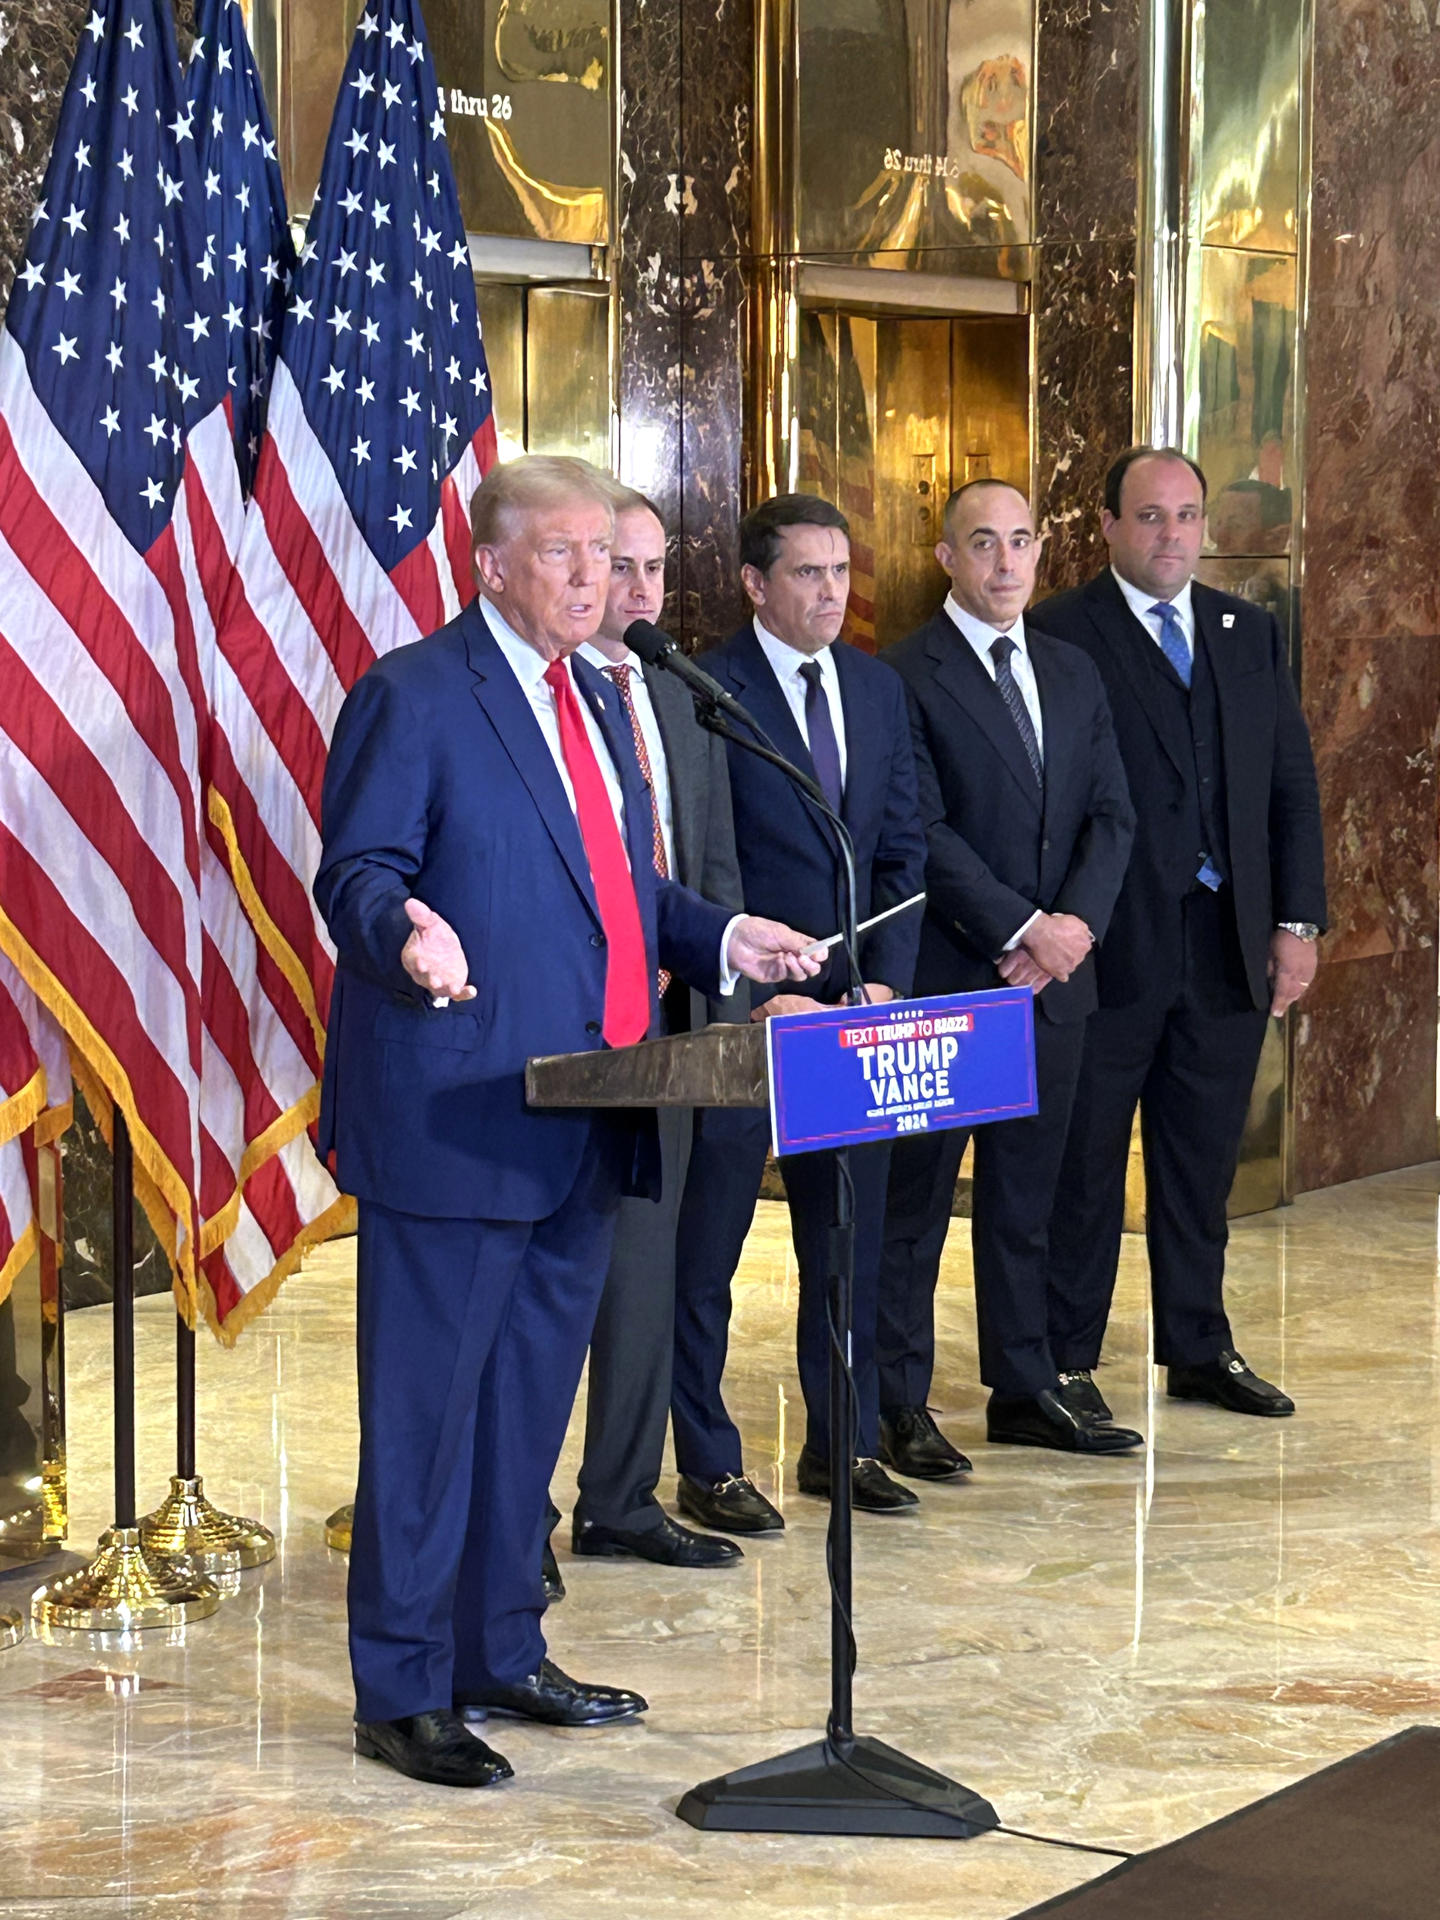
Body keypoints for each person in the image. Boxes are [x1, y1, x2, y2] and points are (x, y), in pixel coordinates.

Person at [314, 455, 822, 1789]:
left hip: (595, 1109)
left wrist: (727, 938)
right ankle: (404, 1689)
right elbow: (357, 871)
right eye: (564, 554)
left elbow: (625, 889)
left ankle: (500, 1646)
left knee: (527, 1409)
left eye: (607, 553)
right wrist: (402, 933)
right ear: (491, 564)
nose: (595, 577)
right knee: (427, 1419)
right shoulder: (416, 694)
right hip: (459, 1114)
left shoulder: (604, 698)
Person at [1030, 446, 1325, 1418]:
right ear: (1109, 526)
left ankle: (1198, 1345)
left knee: (1201, 1161)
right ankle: (1066, 1360)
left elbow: (1290, 785)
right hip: (1110, 948)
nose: (1171, 535)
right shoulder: (1059, 632)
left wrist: (1297, 920)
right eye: (1150, 517)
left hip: (1228, 945)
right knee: (1086, 1166)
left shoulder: (1248, 631)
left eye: (1187, 516)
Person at [670, 494, 928, 1531]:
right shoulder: (701, 689)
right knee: (711, 1246)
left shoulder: (875, 688)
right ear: (754, 583)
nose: (833, 591)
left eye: (841, 571)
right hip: (746, 1012)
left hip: (854, 1011)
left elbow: (901, 846)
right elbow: (689, 858)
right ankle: (708, 1460)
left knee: (847, 1241)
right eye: (810, 574)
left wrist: (883, 981)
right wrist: (748, 987)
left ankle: (846, 1443)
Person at [875, 481, 1141, 1461]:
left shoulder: (1072, 671)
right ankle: (900, 1404)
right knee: (917, 1204)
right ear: (945, 557)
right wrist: (1022, 924)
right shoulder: (903, 674)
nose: (1004, 563)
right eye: (982, 543)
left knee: (1032, 1195)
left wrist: (1071, 929)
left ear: (1041, 552)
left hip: (1056, 981)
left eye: (1020, 542)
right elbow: (921, 830)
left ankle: (1024, 1385)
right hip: (955, 977)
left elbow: (1112, 815)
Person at [561, 484, 748, 1572]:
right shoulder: (543, 694)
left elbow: (708, 854)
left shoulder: (678, 692)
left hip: (679, 1012)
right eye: (612, 566)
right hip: (578, 1023)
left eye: (650, 569)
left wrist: (722, 982)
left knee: (651, 1264)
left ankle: (621, 1495)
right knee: (566, 1271)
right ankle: (518, 1519)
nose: (635, 591)